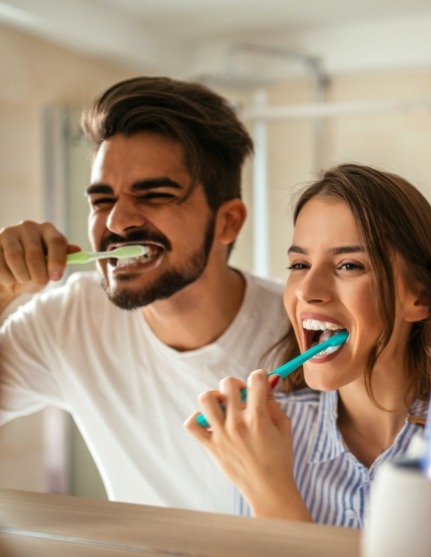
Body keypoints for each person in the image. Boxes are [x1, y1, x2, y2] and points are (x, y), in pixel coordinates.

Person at [0, 77, 289, 513]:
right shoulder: (69, 318)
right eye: (101, 200)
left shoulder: (303, 336)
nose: (117, 221)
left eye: (154, 194)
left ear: (228, 222)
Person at [185, 163, 431, 527]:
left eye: (349, 265)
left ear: (422, 298)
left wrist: (271, 494)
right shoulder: (262, 438)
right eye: (300, 264)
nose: (307, 290)